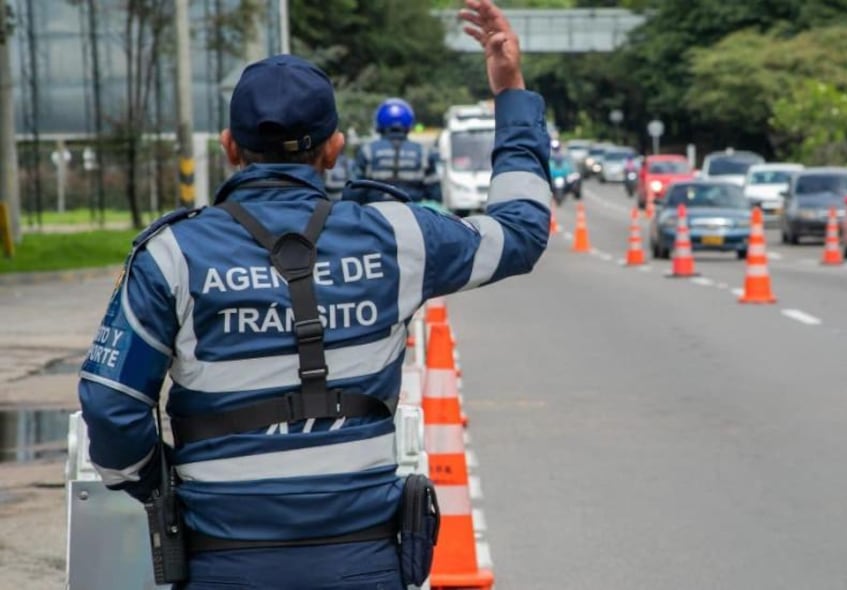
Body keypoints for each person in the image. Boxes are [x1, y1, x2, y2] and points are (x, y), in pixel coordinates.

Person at [76, 1, 550, 588]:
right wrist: (511, 92)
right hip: (365, 563)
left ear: (229, 146)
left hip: (221, 562)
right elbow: (522, 233)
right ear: (335, 148)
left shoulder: (172, 254)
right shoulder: (399, 235)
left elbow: (112, 407)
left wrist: (158, 484)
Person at [348, 97, 441, 204]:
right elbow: (435, 196)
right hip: (412, 215)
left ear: (379, 121)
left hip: (374, 215)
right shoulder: (424, 152)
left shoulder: (367, 151)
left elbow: (353, 193)